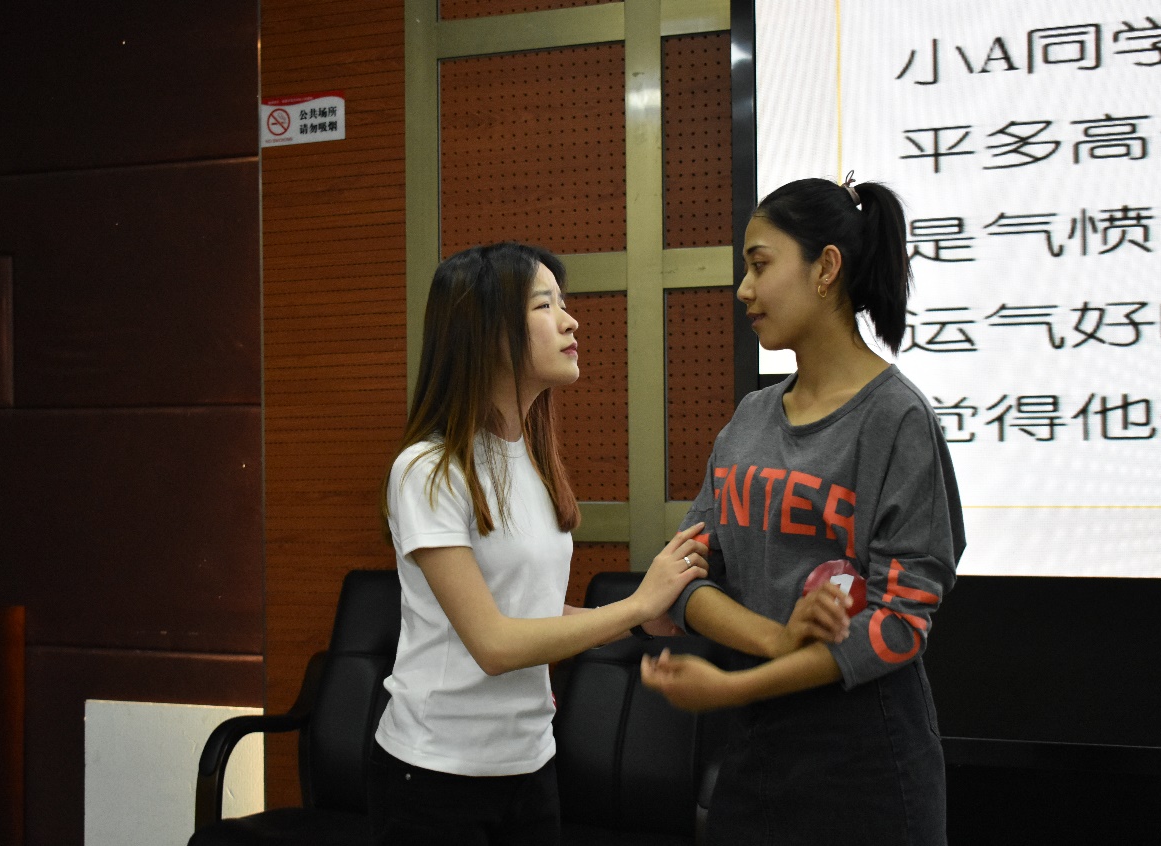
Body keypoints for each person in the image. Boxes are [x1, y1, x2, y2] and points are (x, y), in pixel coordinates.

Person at [640, 175, 965, 845]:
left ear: (825, 268)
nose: (744, 289)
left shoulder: (896, 419)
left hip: (866, 761)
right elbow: (684, 576)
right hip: (758, 751)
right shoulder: (750, 418)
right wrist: (774, 640)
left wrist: (732, 687)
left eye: (760, 265)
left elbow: (899, 623)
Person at [369, 241, 709, 845]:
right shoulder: (427, 469)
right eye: (544, 305)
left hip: (530, 765)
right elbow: (495, 644)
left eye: (562, 302)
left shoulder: (531, 457)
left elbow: (531, 616)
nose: (570, 321)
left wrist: (638, 621)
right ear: (486, 331)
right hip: (435, 775)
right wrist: (636, 602)